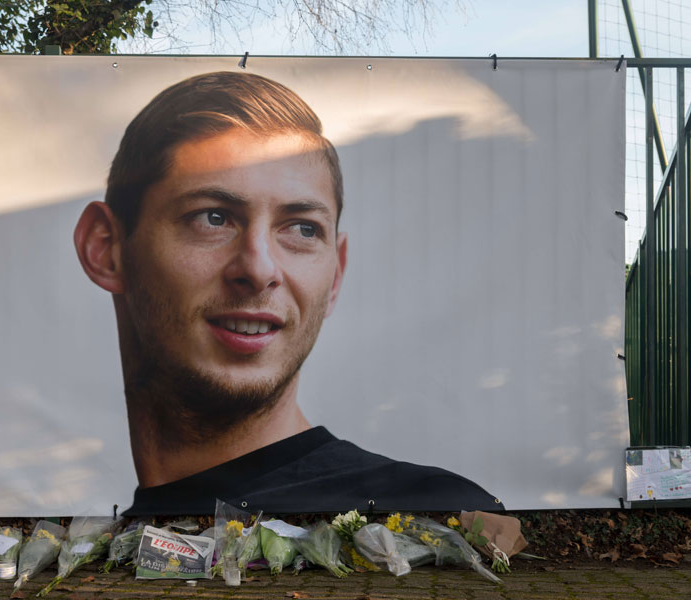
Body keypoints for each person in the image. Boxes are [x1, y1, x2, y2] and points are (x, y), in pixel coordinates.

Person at [74, 71, 502, 515]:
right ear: (106, 249)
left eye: (302, 229)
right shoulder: (110, 549)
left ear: (335, 276)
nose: (259, 270)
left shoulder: (431, 520)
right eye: (212, 218)